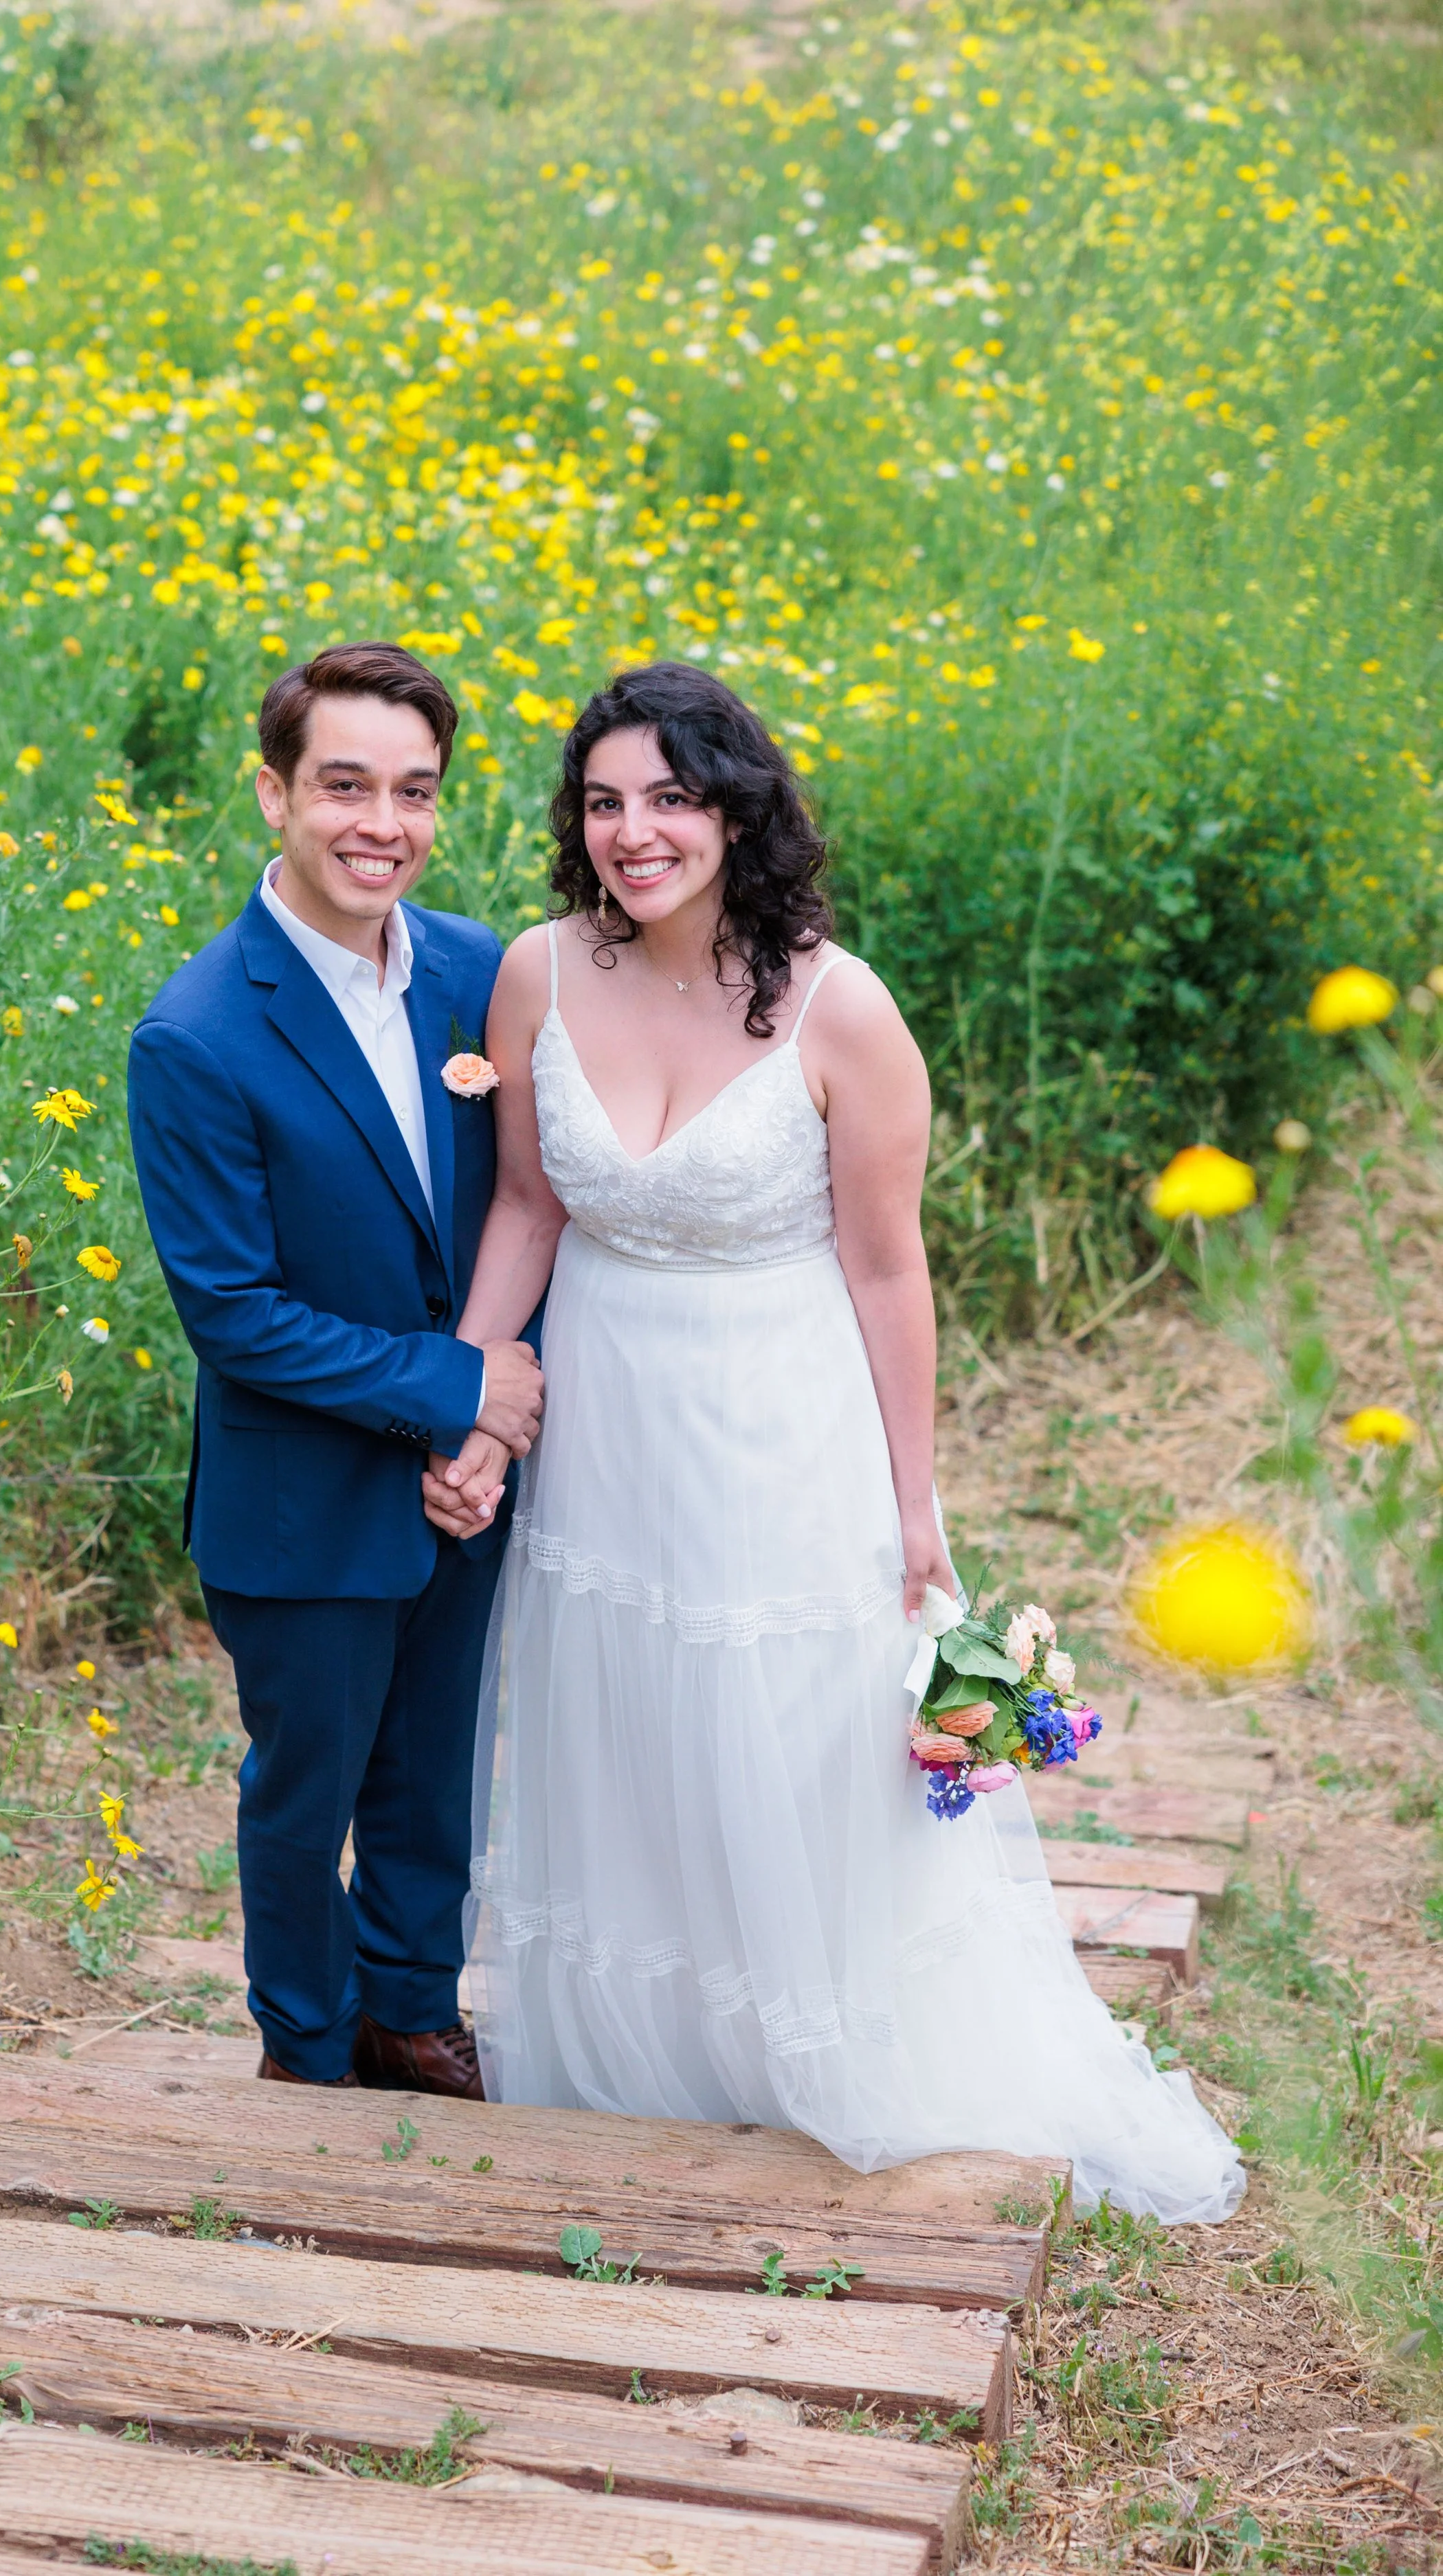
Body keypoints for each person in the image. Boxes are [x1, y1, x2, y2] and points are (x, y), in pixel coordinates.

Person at [428, 659, 1242, 2219]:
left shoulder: (834, 1003)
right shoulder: (536, 971)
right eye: (602, 803)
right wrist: (472, 1394)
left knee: (790, 1719)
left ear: (735, 810)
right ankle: (651, 2052)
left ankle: (817, 2039)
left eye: (668, 798)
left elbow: (884, 1266)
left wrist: (911, 1504)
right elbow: (530, 1203)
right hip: (608, 1409)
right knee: (633, 1710)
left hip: (778, 1411)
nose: (631, 832)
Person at [128, 640, 542, 2094]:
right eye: (345, 786)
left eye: (414, 792)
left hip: (466, 1476)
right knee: (306, 1792)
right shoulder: (195, 1035)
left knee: (435, 1765)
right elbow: (234, 1313)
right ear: (273, 793)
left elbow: (522, 1206)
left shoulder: (481, 976)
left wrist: (489, 1427)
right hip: (301, 1498)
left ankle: (409, 2010)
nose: (382, 824)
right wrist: (452, 1391)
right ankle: (304, 2047)